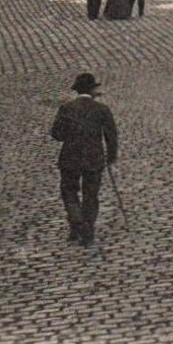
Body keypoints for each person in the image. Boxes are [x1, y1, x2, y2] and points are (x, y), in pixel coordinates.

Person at [50, 72, 119, 246]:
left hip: (70, 158)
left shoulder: (66, 108)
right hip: (94, 158)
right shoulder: (102, 109)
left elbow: (57, 134)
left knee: (69, 191)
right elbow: (111, 136)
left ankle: (76, 220)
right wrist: (111, 156)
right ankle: (88, 227)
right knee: (91, 194)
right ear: (92, 90)